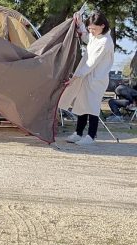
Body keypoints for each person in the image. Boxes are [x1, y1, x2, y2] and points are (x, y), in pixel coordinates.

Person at [59, 11, 115, 145]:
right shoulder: (96, 36)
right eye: (90, 28)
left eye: (94, 29)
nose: (91, 31)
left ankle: (91, 136)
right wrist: (79, 23)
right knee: (82, 105)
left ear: (102, 26)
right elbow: (87, 39)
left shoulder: (105, 41)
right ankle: (78, 133)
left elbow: (91, 63)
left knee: (92, 107)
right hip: (87, 76)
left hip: (96, 79)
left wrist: (75, 76)